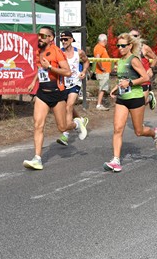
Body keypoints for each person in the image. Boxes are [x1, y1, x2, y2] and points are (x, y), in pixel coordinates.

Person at [23, 26, 87, 170]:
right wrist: (34, 82)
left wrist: (51, 68)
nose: (40, 38)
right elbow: (41, 69)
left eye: (43, 36)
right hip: (42, 94)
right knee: (38, 125)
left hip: (57, 93)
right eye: (39, 35)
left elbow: (68, 72)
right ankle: (37, 158)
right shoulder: (38, 51)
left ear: (51, 38)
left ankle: (77, 124)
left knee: (62, 127)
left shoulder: (57, 52)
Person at [103, 33, 157, 172]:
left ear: (130, 46)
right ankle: (116, 160)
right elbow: (122, 79)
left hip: (136, 98)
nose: (120, 48)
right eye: (118, 46)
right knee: (117, 128)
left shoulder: (134, 60)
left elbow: (144, 77)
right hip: (122, 99)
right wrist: (116, 88)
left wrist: (130, 82)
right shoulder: (120, 60)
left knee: (139, 131)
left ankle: (155, 133)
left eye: (123, 46)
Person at [56, 30, 90, 146]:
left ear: (71, 39)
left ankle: (65, 135)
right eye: (62, 39)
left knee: (69, 105)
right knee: (67, 107)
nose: (63, 41)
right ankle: (81, 120)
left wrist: (84, 71)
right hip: (63, 84)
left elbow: (86, 62)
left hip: (75, 82)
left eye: (66, 39)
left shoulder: (79, 52)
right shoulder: (59, 53)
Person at [128, 29, 157, 110]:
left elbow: (155, 58)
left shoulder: (144, 48)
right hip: (133, 78)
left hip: (144, 78)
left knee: (142, 103)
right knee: (133, 103)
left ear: (139, 37)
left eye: (135, 36)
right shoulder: (127, 48)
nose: (133, 38)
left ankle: (150, 98)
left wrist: (151, 68)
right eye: (131, 36)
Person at [93, 34, 112, 111]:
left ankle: (99, 103)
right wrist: (101, 67)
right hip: (102, 72)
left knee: (103, 88)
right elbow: (98, 58)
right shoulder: (99, 47)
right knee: (102, 88)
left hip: (104, 71)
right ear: (104, 40)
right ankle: (99, 104)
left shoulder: (100, 47)